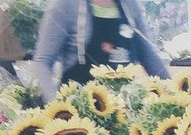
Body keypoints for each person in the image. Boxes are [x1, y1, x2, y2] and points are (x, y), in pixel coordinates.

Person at [31, 0, 170, 102]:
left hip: (125, 112)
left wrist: (173, 94)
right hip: (78, 115)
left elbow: (149, 56)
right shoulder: (65, 6)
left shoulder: (131, 6)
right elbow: (43, 61)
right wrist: (55, 106)